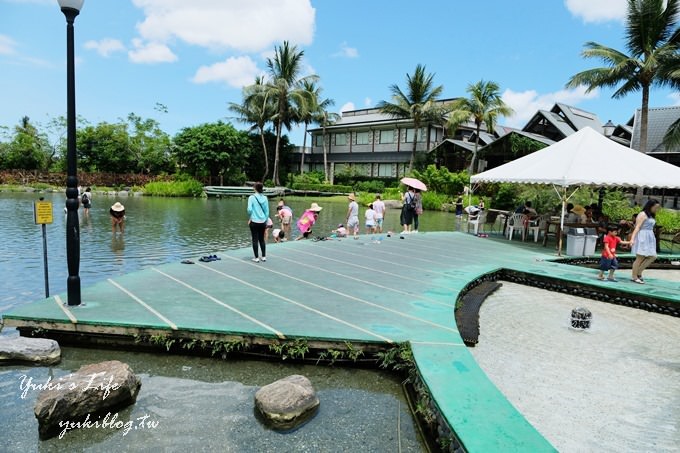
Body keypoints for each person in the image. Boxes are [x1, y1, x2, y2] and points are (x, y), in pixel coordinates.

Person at [630, 199, 661, 284]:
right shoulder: (642, 214)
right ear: (650, 206)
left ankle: (639, 272)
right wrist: (632, 239)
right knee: (640, 258)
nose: (656, 209)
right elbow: (637, 227)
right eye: (655, 207)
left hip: (650, 237)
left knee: (653, 256)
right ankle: (634, 276)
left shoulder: (651, 215)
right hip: (642, 236)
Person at [247, 182, 269, 263]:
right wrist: (265, 220)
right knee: (262, 239)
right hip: (263, 221)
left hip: (254, 221)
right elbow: (267, 212)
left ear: (255, 188)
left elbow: (249, 210)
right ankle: (263, 256)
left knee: (255, 239)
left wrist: (251, 216)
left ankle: (256, 257)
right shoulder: (265, 198)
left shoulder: (251, 197)